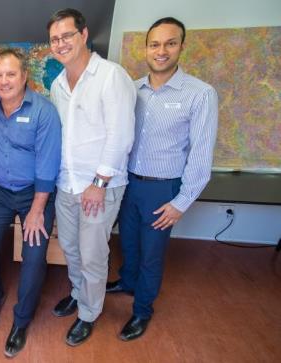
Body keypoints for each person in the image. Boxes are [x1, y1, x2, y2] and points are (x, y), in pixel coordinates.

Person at [106, 17, 218, 341]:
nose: (161, 50)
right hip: (128, 183)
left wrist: (181, 202)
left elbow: (201, 154)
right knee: (127, 241)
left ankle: (142, 310)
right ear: (146, 48)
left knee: (151, 253)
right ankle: (127, 282)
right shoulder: (132, 89)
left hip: (162, 188)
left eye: (170, 43)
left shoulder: (200, 94)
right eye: (155, 43)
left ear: (182, 46)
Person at [47, 8, 136, 346]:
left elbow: (121, 135)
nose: (61, 43)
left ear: (83, 35)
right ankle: (78, 292)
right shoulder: (57, 83)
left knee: (93, 254)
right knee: (70, 248)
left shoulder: (111, 76)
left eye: (67, 36)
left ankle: (88, 312)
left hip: (99, 187)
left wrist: (98, 183)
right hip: (66, 185)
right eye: (55, 39)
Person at [0, 48, 61, 358]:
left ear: (25, 76)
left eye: (11, 74)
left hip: (34, 193)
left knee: (35, 256)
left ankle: (21, 321)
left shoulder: (44, 111)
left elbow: (48, 164)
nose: (4, 81)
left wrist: (38, 210)